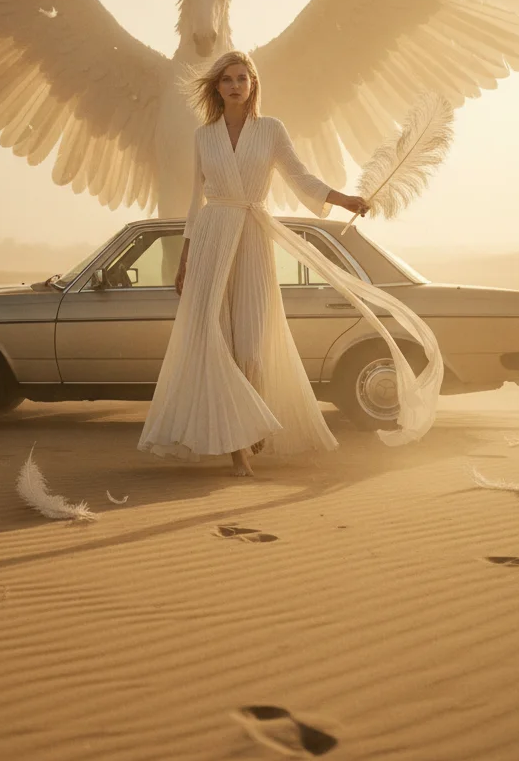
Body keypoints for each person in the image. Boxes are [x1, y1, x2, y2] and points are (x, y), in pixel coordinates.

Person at [137, 51, 444, 476]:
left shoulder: (270, 130)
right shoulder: (203, 136)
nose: (234, 85)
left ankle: (252, 421)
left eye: (242, 78)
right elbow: (195, 200)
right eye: (226, 79)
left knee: (251, 341)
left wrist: (343, 200)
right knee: (214, 338)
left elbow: (301, 178)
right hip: (211, 237)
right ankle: (238, 450)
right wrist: (184, 257)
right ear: (217, 87)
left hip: (252, 238)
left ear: (253, 84)